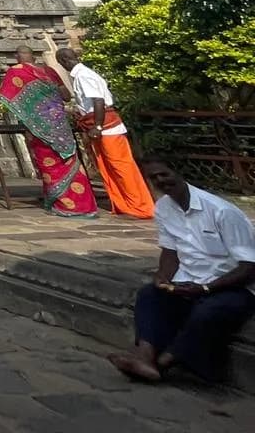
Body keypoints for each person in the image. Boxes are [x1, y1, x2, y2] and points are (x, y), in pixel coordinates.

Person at [107, 156, 255, 384]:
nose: (160, 181)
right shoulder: (164, 208)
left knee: (208, 313)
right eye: (154, 177)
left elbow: (248, 266)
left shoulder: (221, 211)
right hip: (190, 282)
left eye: (164, 174)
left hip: (230, 285)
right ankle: (144, 356)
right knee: (149, 295)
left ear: (178, 173)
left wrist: (206, 288)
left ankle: (163, 363)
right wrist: (163, 275)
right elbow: (170, 251)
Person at [0, 48, 97, 219]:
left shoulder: (16, 72)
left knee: (50, 166)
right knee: (70, 162)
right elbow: (66, 96)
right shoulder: (49, 71)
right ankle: (84, 204)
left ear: (16, 58)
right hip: (60, 125)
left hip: (39, 128)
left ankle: (65, 205)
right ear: (35, 57)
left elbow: (7, 99)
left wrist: (30, 113)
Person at [56, 48, 154, 219]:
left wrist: (98, 126)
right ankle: (128, 204)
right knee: (110, 167)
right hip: (101, 125)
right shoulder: (83, 75)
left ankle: (139, 207)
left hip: (107, 128)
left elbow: (98, 100)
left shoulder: (83, 75)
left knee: (120, 167)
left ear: (64, 60)